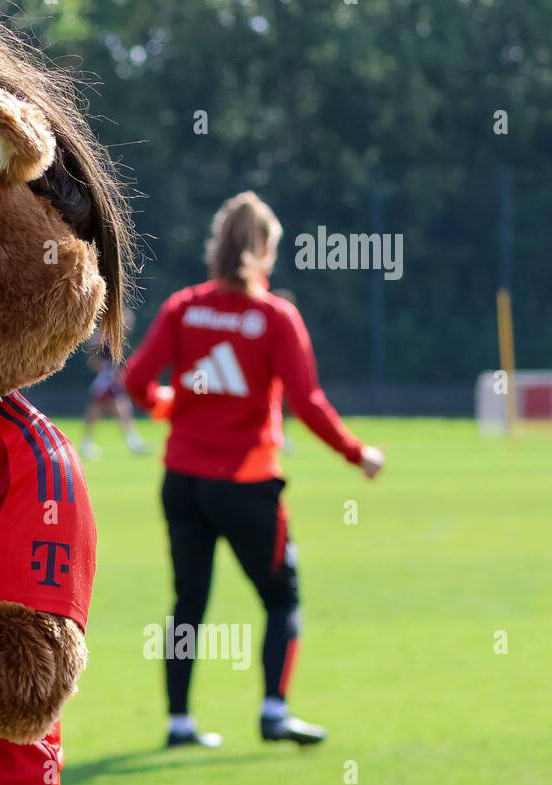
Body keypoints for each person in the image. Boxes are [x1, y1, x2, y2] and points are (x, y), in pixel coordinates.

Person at [124, 191, 384, 748]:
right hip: (244, 484)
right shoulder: (273, 316)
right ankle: (273, 712)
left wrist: (172, 406)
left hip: (183, 480)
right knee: (281, 598)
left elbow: (135, 382)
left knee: (188, 602)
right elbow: (307, 401)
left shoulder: (184, 306)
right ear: (263, 249)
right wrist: (357, 453)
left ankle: (179, 722)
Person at [79, 307, 147, 458]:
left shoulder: (116, 337)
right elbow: (91, 351)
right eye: (126, 322)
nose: (128, 325)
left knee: (116, 406)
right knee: (103, 407)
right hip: (106, 377)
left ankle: (131, 440)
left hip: (110, 376)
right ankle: (130, 441)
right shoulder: (104, 335)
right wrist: (103, 368)